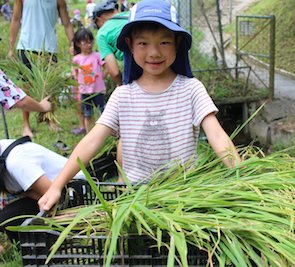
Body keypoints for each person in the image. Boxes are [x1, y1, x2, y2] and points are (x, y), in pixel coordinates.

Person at [39, 0, 242, 211]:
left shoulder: (191, 89)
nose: (154, 52)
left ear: (177, 43)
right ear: (130, 45)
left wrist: (241, 177)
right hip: (137, 201)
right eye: (143, 43)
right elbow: (91, 141)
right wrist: (57, 185)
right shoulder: (123, 96)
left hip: (184, 198)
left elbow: (217, 136)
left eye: (164, 42)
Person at [0, 139, 85, 249]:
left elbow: (54, 196)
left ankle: (39, 246)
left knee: (7, 218)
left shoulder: (16, 161)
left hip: (72, 193)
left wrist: (28, 194)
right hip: (45, 193)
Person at [8, 0, 74, 138]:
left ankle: (49, 119)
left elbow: (67, 23)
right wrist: (11, 47)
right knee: (26, 87)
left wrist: (73, 44)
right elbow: (15, 19)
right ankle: (26, 125)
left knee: (50, 87)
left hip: (49, 48)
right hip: (27, 46)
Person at [72, 28, 106, 134]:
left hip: (98, 90)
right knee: (87, 114)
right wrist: (77, 87)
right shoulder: (77, 59)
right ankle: (89, 133)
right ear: (78, 44)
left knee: (102, 112)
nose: (89, 45)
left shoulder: (97, 56)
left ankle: (104, 133)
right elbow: (75, 73)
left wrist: (102, 77)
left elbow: (107, 66)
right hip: (85, 91)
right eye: (85, 43)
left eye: (90, 42)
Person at [92, 0, 129, 86]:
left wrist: (121, 85)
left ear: (98, 19)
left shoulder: (102, 33)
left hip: (137, 68)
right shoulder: (133, 14)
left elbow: (114, 72)